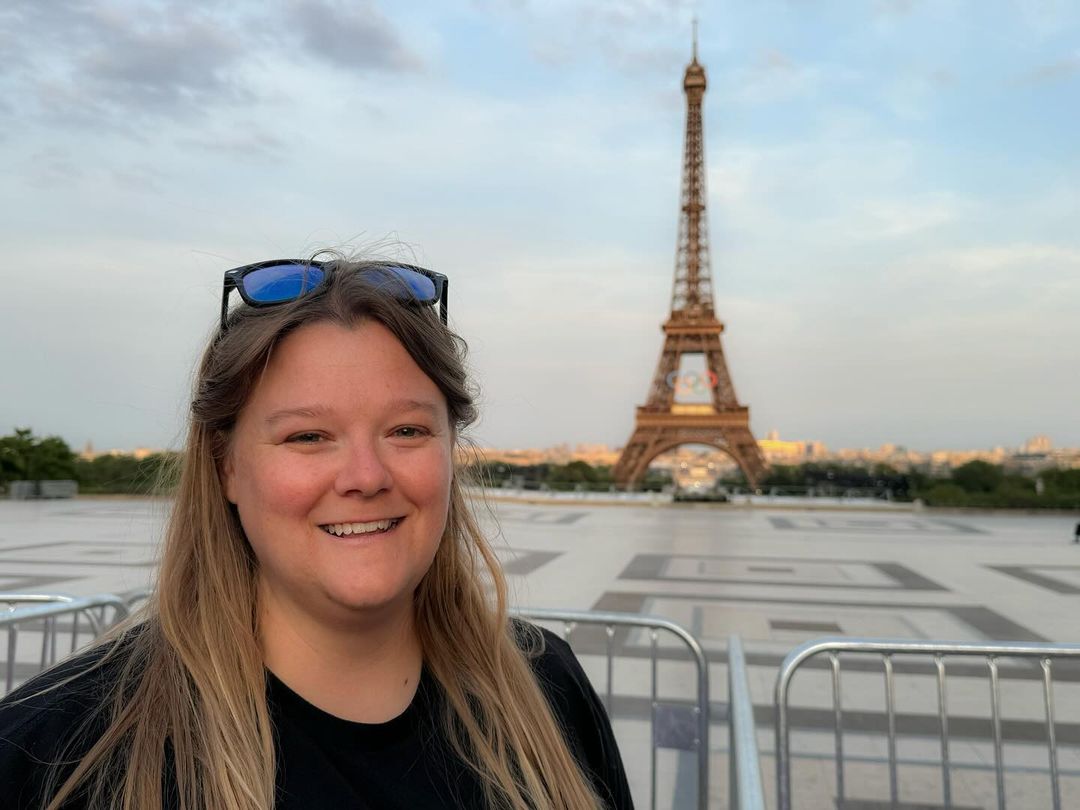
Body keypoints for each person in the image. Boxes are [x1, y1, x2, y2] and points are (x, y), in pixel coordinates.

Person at [0, 256, 632, 809]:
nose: (365, 475)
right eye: (307, 436)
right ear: (227, 467)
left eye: (407, 431)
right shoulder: (51, 752)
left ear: (450, 449)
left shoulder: (548, 685)